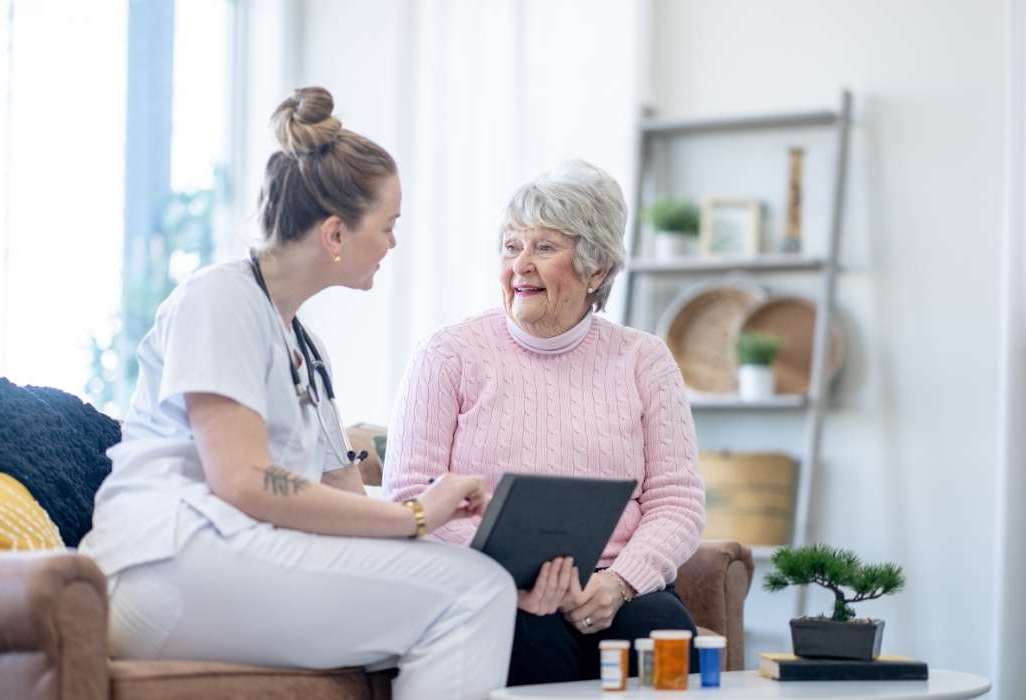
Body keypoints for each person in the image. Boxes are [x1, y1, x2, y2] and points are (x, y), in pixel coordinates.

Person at [78, 87, 517, 700]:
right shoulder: (219, 299)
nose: (392, 244)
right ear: (335, 234)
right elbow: (244, 479)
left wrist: (447, 518)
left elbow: (340, 493)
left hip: (227, 555)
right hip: (165, 563)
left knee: (475, 578)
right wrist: (414, 516)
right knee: (474, 592)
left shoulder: (306, 348)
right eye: (388, 227)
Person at [383, 160, 706, 686]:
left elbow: (678, 502)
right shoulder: (448, 354)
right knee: (528, 635)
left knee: (662, 627)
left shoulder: (644, 359)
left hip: (612, 585)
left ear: (596, 270)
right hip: (493, 586)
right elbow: (409, 495)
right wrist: (514, 580)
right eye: (512, 246)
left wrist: (619, 583)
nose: (521, 265)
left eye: (544, 247)